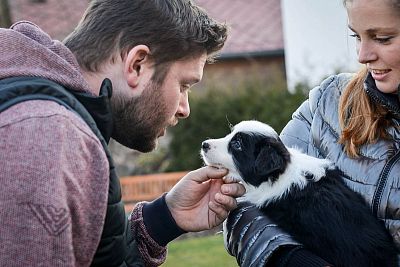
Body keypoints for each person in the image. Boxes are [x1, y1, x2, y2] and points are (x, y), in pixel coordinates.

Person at [0, 0, 246, 266]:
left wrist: (165, 217)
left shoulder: (54, 122)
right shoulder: (43, 135)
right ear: (137, 64)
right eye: (184, 85)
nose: (185, 109)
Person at [224, 0, 400, 266]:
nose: (362, 55)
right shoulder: (329, 102)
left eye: (383, 38)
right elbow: (244, 206)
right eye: (356, 35)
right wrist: (287, 258)